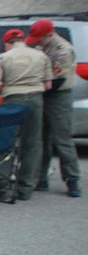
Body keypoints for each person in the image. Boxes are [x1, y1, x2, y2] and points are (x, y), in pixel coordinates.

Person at [0, 28, 51, 201]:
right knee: (33, 143)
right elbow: (48, 84)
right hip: (36, 100)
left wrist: (7, 89)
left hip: (13, 100)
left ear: (6, 43)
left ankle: (1, 185)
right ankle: (25, 188)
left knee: (5, 142)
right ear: (24, 39)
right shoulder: (41, 55)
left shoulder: (3, 57)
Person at [26, 18, 82, 197]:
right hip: (44, 94)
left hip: (58, 96)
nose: (38, 43)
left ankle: (72, 179)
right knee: (42, 139)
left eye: (40, 39)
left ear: (50, 35)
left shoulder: (62, 50)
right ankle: (40, 178)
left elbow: (58, 80)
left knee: (62, 139)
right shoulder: (43, 47)